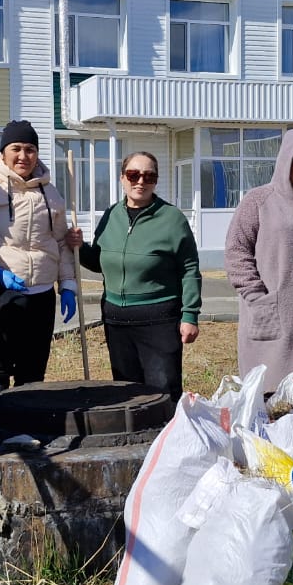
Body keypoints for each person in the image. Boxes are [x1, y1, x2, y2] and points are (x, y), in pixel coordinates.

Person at [68, 152, 201, 401]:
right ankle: (138, 441)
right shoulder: (110, 216)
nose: (141, 181)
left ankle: (167, 438)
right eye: (133, 174)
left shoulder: (173, 219)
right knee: (127, 393)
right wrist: (80, 247)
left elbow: (190, 269)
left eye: (149, 176)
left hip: (159, 319)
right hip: (117, 321)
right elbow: (100, 262)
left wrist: (190, 315)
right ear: (122, 178)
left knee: (163, 392)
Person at [0, 120, 77, 394]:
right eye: (16, 148)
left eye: (30, 149)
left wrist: (68, 284)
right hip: (4, 283)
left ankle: (30, 404)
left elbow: (60, 241)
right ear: (3, 152)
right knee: (8, 345)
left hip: (44, 288)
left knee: (36, 359)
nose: (23, 156)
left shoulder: (50, 192)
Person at [225, 129, 293, 388]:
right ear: (286, 161)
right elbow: (237, 251)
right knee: (269, 394)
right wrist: (258, 297)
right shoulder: (258, 200)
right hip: (268, 314)